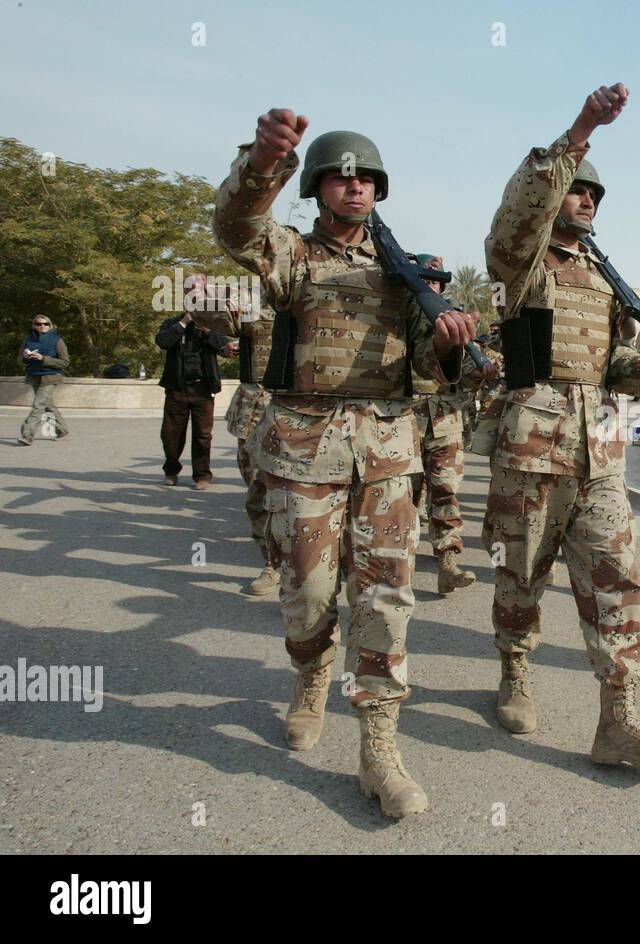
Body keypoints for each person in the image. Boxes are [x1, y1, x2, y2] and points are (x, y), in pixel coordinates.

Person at [213, 108, 475, 818]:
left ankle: (379, 748)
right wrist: (264, 163)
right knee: (306, 595)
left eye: (366, 181)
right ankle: (309, 674)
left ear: (378, 191)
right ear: (319, 187)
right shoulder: (294, 256)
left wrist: (447, 340)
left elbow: (424, 366)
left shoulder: (406, 272)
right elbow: (236, 230)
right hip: (305, 448)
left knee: (387, 598)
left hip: (388, 449)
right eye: (340, 178)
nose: (354, 189)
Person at [483, 83, 640, 769]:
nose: (585, 200)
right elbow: (519, 215)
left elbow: (612, 368)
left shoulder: (606, 280)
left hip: (601, 449)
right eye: (576, 190)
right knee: (521, 574)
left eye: (593, 195)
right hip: (532, 446)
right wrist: (582, 128)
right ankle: (515, 668)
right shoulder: (517, 266)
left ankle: (619, 719)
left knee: (617, 581)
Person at [408, 254, 490, 594]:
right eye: (425, 280)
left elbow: (468, 374)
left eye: (436, 281)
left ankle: (448, 562)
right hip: (404, 417)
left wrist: (483, 372)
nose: (431, 286)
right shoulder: (402, 317)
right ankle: (392, 562)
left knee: (445, 490)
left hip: (444, 419)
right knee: (401, 496)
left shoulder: (456, 322)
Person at [155, 275, 235, 488]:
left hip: (203, 389)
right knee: (171, 435)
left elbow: (225, 349)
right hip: (177, 388)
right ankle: (171, 471)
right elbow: (163, 341)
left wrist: (207, 330)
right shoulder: (173, 323)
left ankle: (202, 476)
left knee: (203, 436)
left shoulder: (212, 326)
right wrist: (184, 322)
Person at [223, 295, 277, 595]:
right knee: (258, 492)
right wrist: (199, 297)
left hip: (311, 413)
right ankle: (273, 562)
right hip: (257, 407)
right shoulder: (253, 310)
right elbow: (216, 321)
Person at [17, 314, 71, 445]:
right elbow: (20, 359)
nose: (42, 326)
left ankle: (27, 435)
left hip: (50, 377)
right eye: (39, 324)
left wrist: (43, 358)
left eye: (45, 324)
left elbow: (65, 362)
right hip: (34, 375)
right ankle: (62, 429)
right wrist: (25, 357)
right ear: (34, 326)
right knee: (47, 405)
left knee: (38, 406)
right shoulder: (29, 339)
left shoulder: (57, 340)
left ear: (50, 325)